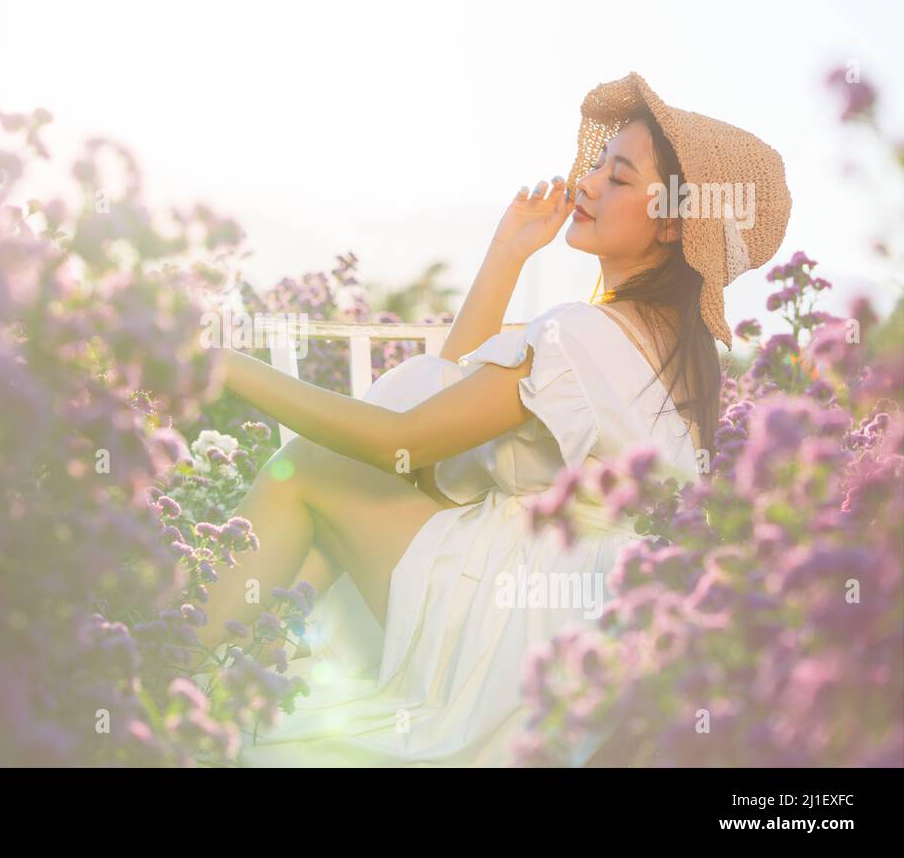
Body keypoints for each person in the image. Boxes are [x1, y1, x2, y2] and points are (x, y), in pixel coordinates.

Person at [205, 72, 792, 766]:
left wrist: (229, 367)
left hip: (509, 636)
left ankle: (166, 695)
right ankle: (220, 709)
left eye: (619, 175)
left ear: (671, 223)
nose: (589, 181)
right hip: (573, 626)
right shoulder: (676, 358)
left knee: (299, 471)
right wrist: (509, 251)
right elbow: (439, 402)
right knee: (324, 534)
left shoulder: (582, 336)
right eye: (598, 161)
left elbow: (401, 439)